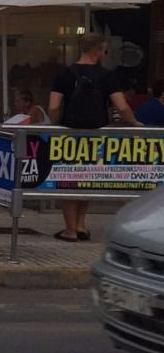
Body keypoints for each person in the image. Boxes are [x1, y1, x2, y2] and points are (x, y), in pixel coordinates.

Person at [48, 33, 140, 243]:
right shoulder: (107, 76)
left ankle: (70, 229)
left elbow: (53, 106)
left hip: (69, 133)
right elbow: (122, 107)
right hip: (96, 133)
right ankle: (80, 225)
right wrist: (135, 123)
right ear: (98, 51)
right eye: (104, 50)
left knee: (68, 178)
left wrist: (56, 124)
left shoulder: (64, 74)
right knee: (86, 176)